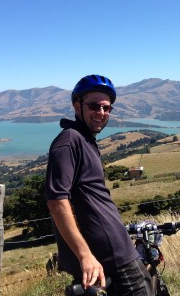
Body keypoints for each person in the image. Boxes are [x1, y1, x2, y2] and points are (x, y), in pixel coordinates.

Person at [45, 74, 152, 295]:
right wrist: (85, 255)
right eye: (94, 106)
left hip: (116, 250)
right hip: (108, 256)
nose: (101, 113)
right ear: (77, 106)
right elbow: (57, 202)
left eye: (107, 108)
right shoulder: (69, 142)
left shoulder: (85, 140)